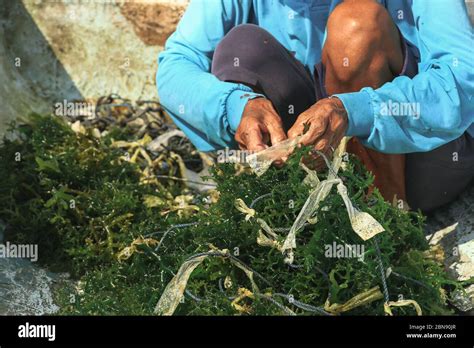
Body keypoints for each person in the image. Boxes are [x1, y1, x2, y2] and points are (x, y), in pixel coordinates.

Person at [157, 0, 474, 212]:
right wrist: (236, 106)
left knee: (357, 27)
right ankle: (292, 212)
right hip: (309, 168)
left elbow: (463, 79)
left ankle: (385, 226)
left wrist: (353, 111)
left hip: (420, 160)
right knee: (242, 48)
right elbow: (176, 65)